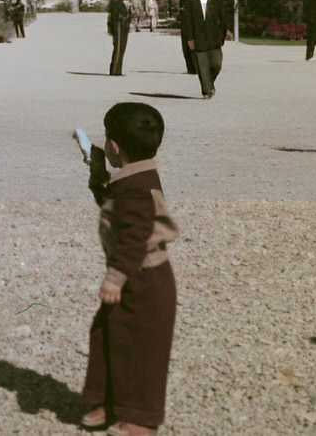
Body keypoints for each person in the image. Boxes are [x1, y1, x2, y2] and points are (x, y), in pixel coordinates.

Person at [80, 101, 178, 436]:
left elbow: (135, 237)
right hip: (137, 276)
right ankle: (110, 400)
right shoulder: (136, 177)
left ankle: (141, 419)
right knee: (108, 335)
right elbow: (114, 206)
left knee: (143, 349)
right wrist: (98, 177)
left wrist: (115, 277)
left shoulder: (136, 190)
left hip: (145, 280)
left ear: (114, 146)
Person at [179, 0, 230, 99]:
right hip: (198, 37)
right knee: (202, 66)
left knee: (216, 64)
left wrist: (225, 32)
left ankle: (209, 83)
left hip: (214, 37)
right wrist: (190, 38)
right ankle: (206, 90)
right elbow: (187, 20)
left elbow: (222, 17)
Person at [107, 0, 131, 76]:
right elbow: (115, 17)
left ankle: (118, 69)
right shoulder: (116, 2)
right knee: (118, 48)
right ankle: (114, 70)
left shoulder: (120, 2)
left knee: (122, 48)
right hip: (119, 27)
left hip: (123, 27)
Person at [177, 0, 197, 75]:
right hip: (185, 25)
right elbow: (181, 10)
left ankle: (195, 67)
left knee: (192, 47)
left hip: (193, 26)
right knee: (186, 47)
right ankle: (190, 68)